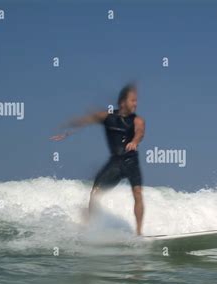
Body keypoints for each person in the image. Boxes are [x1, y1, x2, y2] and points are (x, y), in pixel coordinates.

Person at [50, 83, 145, 235]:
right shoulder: (107, 116)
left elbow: (139, 132)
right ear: (122, 102)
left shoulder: (137, 120)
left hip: (131, 161)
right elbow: (86, 121)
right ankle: (90, 228)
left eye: (136, 100)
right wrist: (66, 132)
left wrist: (134, 141)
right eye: (132, 100)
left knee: (138, 193)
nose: (136, 103)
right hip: (115, 162)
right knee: (94, 194)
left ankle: (139, 233)